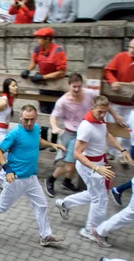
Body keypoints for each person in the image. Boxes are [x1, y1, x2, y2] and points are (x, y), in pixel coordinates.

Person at [0, 105, 65, 247]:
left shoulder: (36, 129)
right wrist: (8, 170)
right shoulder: (14, 134)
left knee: (41, 205)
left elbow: (38, 140)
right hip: (16, 179)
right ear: (20, 118)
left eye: (32, 119)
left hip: (32, 178)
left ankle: (45, 236)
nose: (29, 123)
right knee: (1, 207)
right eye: (26, 120)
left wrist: (52, 144)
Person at [55, 96, 132, 245]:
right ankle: (90, 230)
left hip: (98, 164)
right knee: (100, 199)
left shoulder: (100, 121)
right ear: (92, 109)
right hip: (90, 166)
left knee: (94, 195)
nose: (102, 115)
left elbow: (107, 135)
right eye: (100, 112)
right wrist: (97, 168)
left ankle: (65, 203)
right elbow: (77, 154)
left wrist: (122, 149)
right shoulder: (86, 127)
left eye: (105, 112)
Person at [45, 73, 125, 197]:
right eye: (74, 87)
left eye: (79, 86)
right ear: (69, 86)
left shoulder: (90, 94)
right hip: (72, 133)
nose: (77, 89)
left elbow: (104, 105)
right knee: (70, 165)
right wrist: (54, 127)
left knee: (80, 163)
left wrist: (115, 116)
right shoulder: (63, 101)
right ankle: (50, 180)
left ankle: (67, 182)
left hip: (89, 131)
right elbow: (53, 116)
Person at [22, 28, 67, 145]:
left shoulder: (58, 51)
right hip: (43, 86)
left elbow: (61, 71)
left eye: (40, 38)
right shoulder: (38, 49)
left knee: (55, 113)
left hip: (56, 87)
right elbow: (34, 61)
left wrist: (43, 77)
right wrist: (27, 70)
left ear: (47, 39)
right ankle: (44, 140)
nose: (37, 40)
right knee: (43, 111)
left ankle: (54, 140)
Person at [104, 38, 134, 165]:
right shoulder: (120, 57)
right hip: (116, 101)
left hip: (131, 104)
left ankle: (125, 154)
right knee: (111, 126)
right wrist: (113, 81)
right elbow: (108, 71)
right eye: (131, 47)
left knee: (129, 129)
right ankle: (111, 152)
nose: (132, 51)